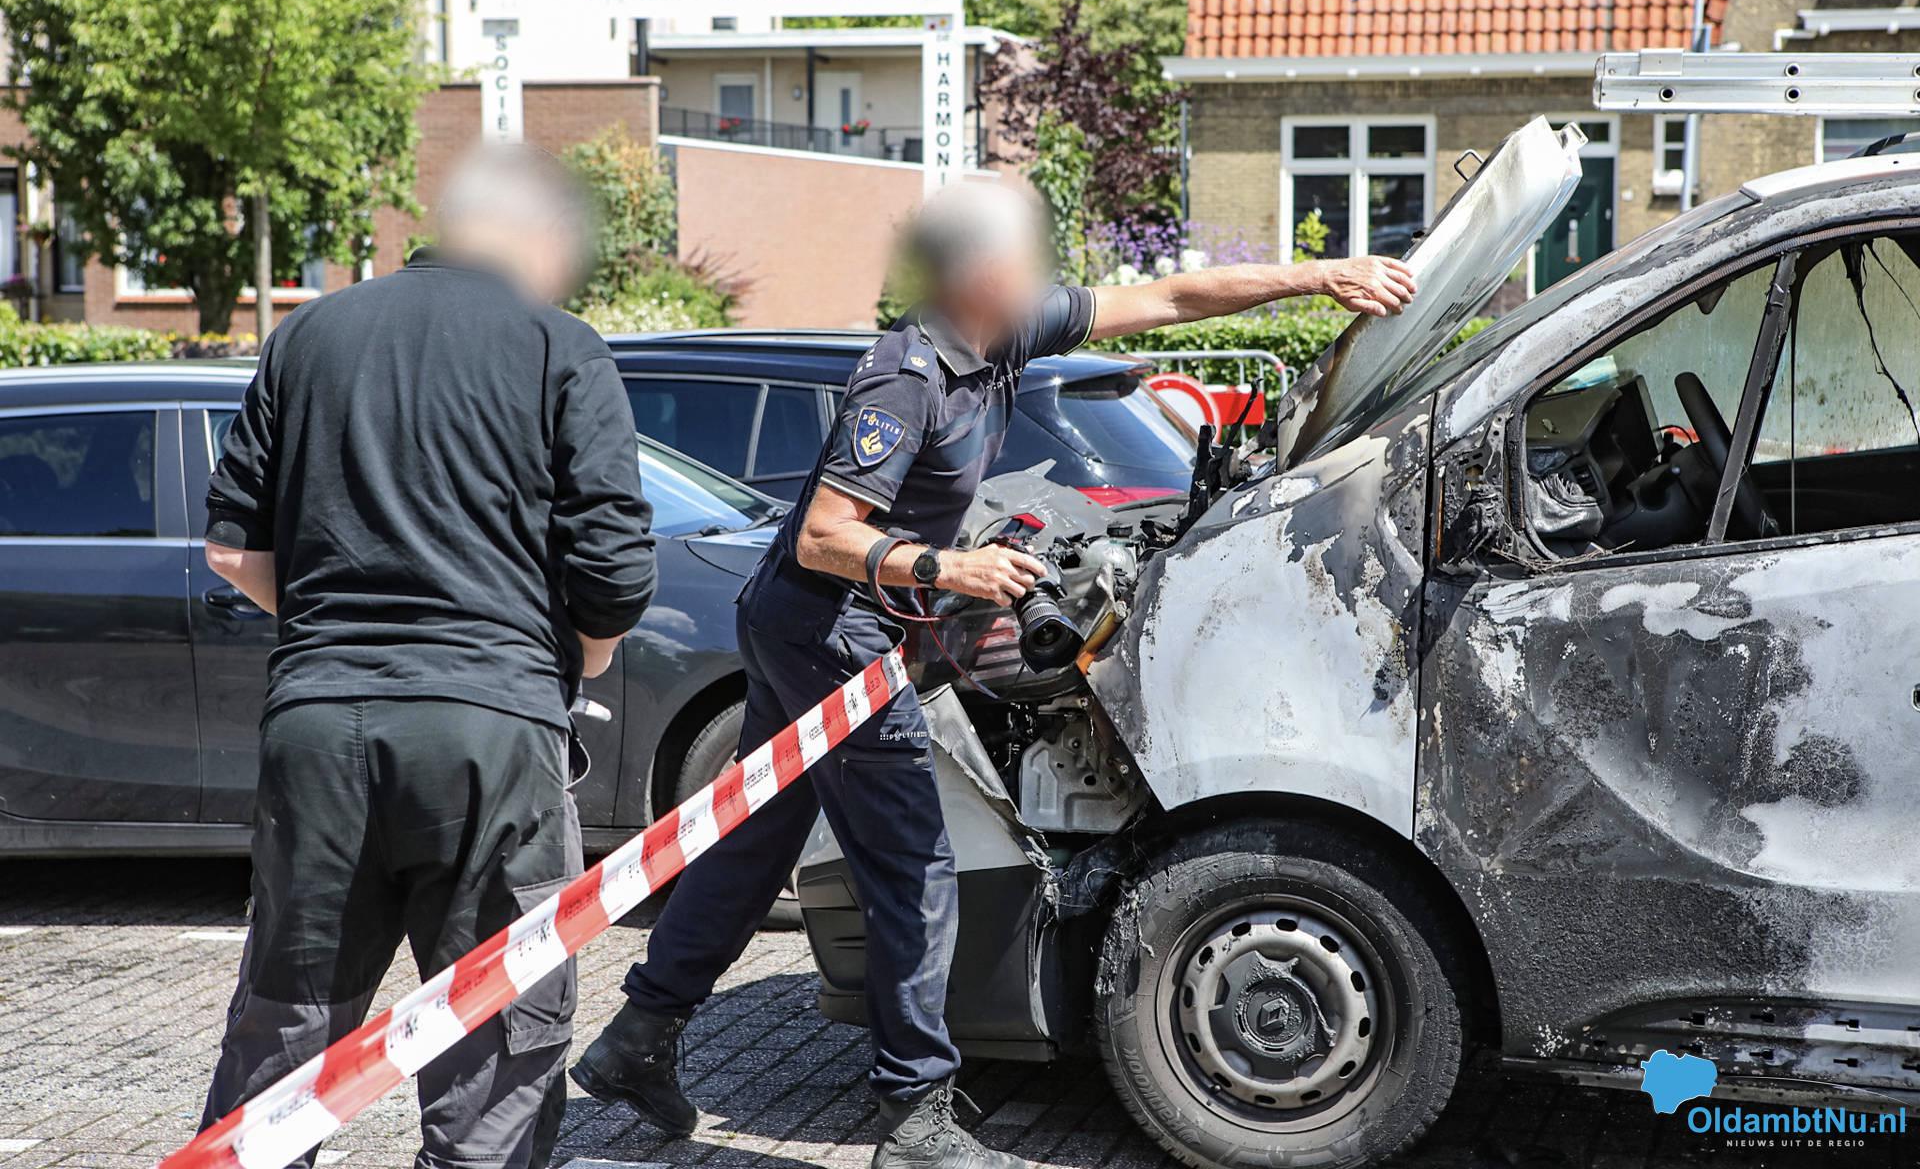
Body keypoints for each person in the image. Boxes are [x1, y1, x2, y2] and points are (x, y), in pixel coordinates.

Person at [570, 181, 1415, 1169]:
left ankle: (636, 1038)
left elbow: (1172, 298)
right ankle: (916, 1116)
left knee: (758, 841)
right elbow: (824, 534)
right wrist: (950, 569)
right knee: (915, 866)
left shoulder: (1007, 330)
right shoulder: (906, 378)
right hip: (828, 631)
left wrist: (1322, 275)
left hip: (811, 624)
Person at [198, 144, 657, 1169]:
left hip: (320, 723)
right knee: (495, 1024)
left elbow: (232, 548)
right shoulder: (560, 346)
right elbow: (615, 566)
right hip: (491, 728)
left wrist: (329, 628)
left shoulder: (307, 334)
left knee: (288, 1021)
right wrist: (576, 657)